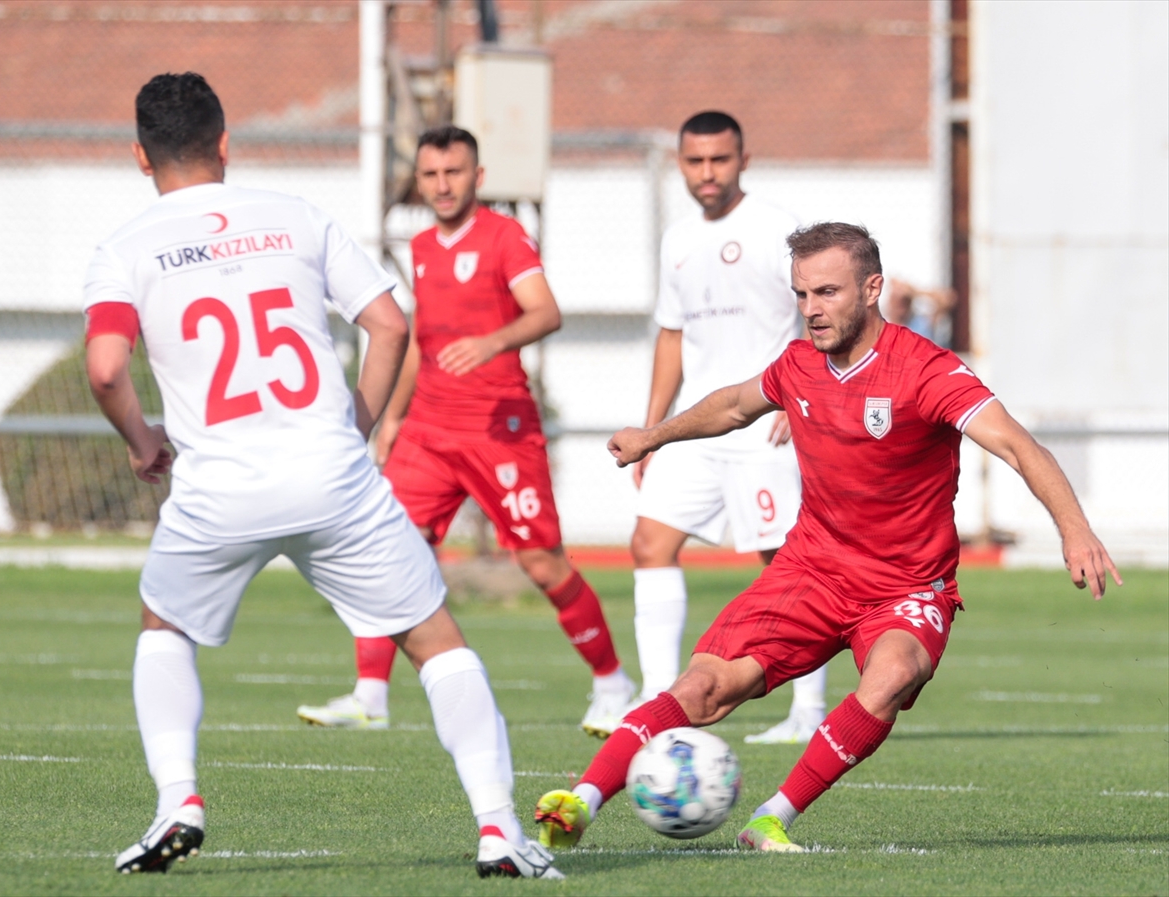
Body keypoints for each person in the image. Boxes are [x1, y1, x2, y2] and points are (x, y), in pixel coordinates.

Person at [86, 73, 561, 879]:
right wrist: (359, 425)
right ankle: (498, 827)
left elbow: (105, 368)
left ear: (140, 156)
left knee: (163, 627)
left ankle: (179, 801)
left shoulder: (125, 246)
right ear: (226, 143)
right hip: (332, 473)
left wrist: (141, 441)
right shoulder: (297, 215)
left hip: (218, 487)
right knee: (435, 641)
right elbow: (389, 323)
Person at [534, 222, 1120, 852]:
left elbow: (1016, 444)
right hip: (810, 571)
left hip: (905, 588)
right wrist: (653, 435)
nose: (812, 310)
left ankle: (771, 819)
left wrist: (1075, 528)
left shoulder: (926, 370)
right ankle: (580, 801)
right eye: (802, 294)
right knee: (702, 690)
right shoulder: (797, 367)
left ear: (872, 288)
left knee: (893, 674)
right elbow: (733, 405)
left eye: (827, 293)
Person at [296, 126, 636, 738]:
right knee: (387, 551)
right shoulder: (423, 246)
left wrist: (490, 341)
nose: (442, 184)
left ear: (477, 178)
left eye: (454, 172)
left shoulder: (505, 238)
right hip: (428, 429)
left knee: (541, 563)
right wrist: (394, 416)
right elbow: (422, 337)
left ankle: (612, 683)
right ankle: (370, 695)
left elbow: (546, 312)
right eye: (431, 174)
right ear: (418, 182)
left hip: (497, 429)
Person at [631, 110, 826, 745]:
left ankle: (808, 709)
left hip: (763, 424)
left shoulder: (776, 229)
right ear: (681, 164)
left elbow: (819, 312)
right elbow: (671, 334)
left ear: (743, 160)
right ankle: (656, 700)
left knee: (785, 564)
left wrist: (806, 403)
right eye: (695, 161)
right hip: (698, 426)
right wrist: (653, 430)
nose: (707, 173)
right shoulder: (678, 240)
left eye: (719, 160)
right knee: (649, 543)